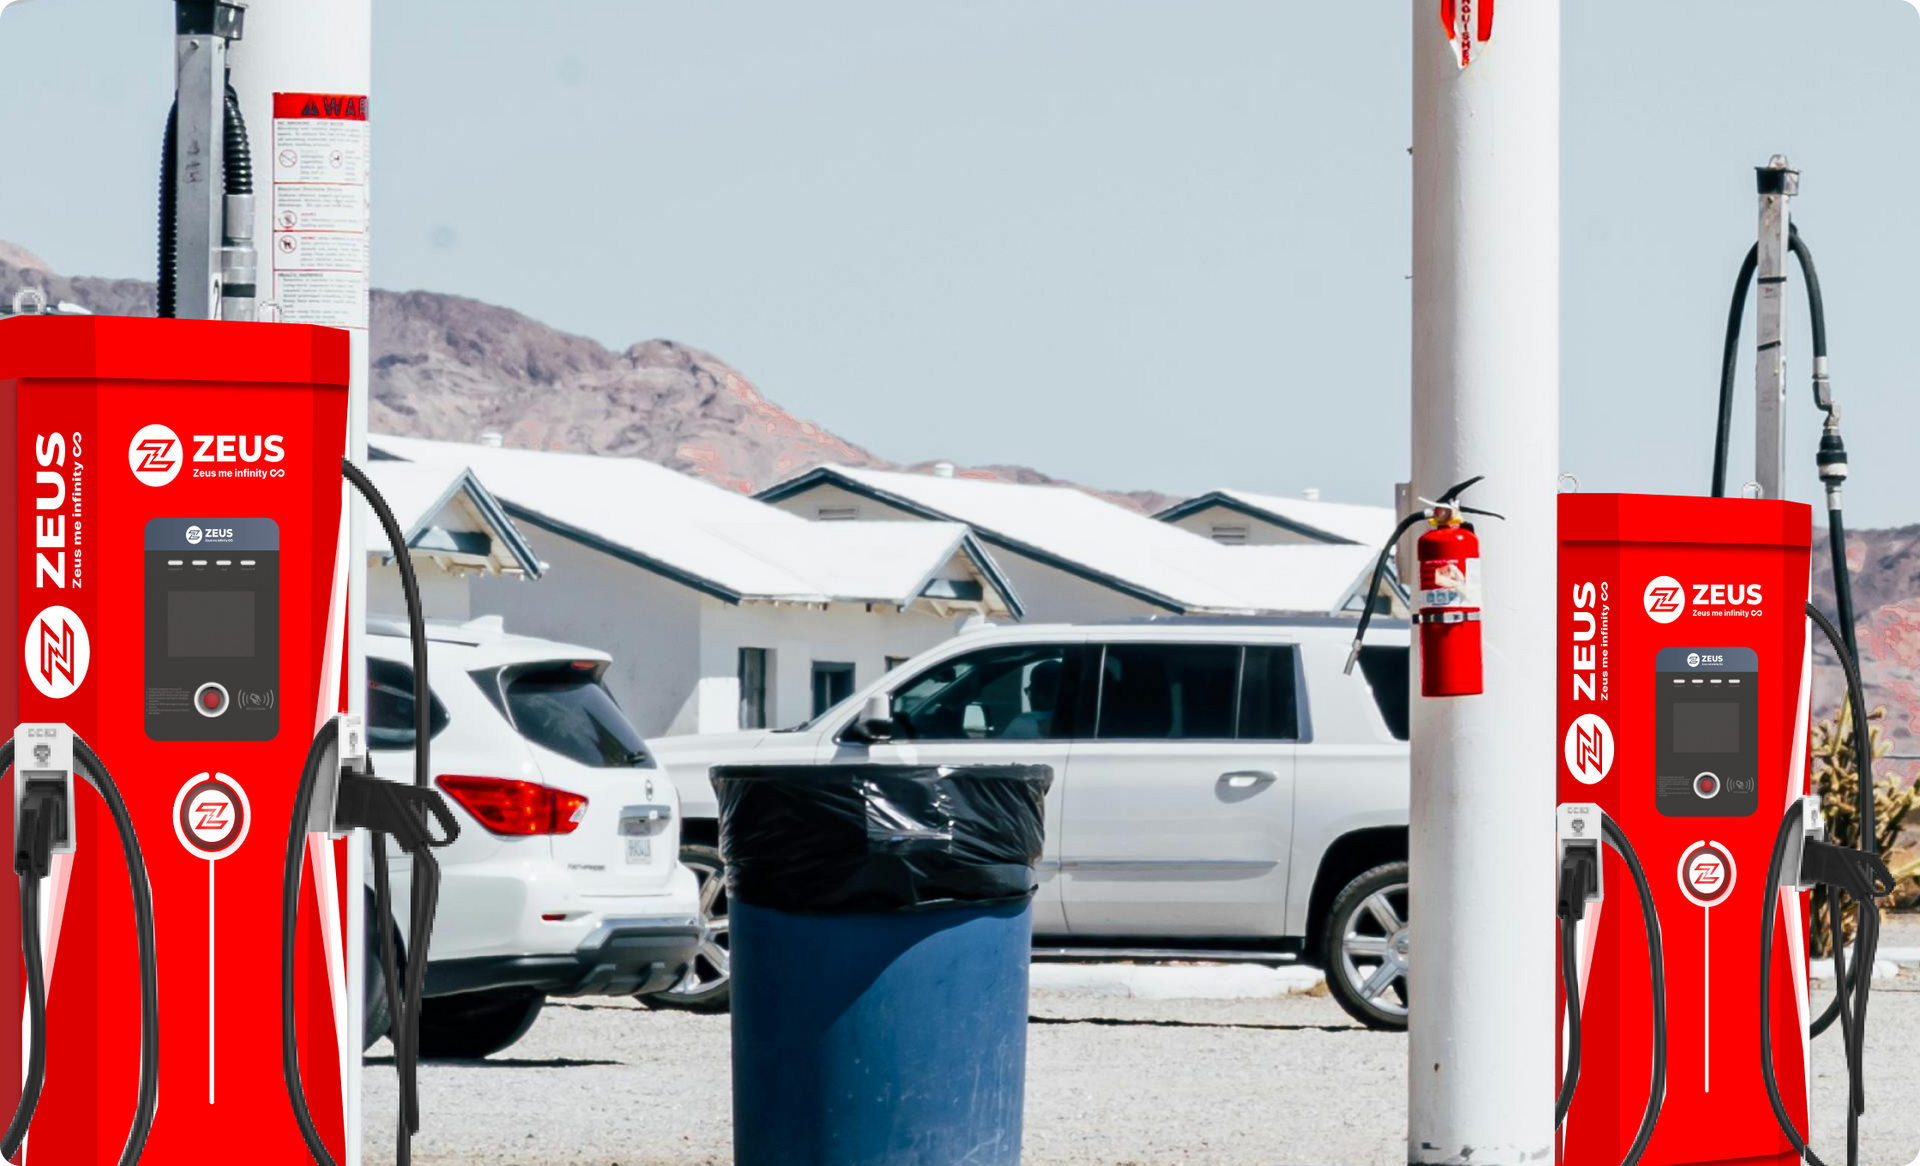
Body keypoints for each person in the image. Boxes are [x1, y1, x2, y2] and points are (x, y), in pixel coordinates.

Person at [1001, 658, 1061, 739]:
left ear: (1040, 696)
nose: (1027, 696)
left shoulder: (1023, 724)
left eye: (1028, 690)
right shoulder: (1076, 723)